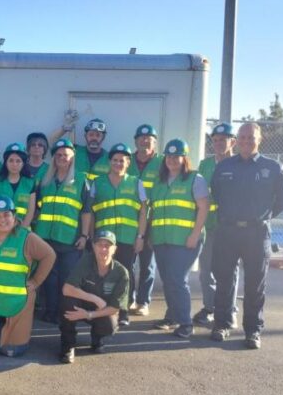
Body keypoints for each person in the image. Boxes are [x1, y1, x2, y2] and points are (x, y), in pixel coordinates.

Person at [210, 122, 283, 349]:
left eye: (251, 137)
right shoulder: (224, 166)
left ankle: (253, 330)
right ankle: (222, 324)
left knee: (255, 285)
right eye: (243, 137)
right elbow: (216, 194)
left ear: (259, 139)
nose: (246, 141)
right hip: (228, 231)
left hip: (257, 233)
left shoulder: (274, 168)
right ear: (237, 140)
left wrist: (263, 216)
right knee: (224, 280)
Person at [0, 195, 55, 357]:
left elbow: (49, 255)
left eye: (6, 214)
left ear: (14, 216)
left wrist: (36, 281)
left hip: (11, 309)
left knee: (9, 351)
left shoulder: (26, 237)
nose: (2, 219)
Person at [82, 143, 147, 327]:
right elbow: (91, 211)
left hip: (127, 238)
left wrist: (140, 237)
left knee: (125, 274)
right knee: (101, 274)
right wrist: (92, 236)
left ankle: (123, 311)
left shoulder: (136, 183)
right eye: (115, 160)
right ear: (110, 162)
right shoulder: (98, 182)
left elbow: (143, 212)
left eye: (122, 161)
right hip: (103, 240)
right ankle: (101, 310)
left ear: (128, 163)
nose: (118, 163)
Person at [149, 139, 209, 339]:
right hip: (162, 240)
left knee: (177, 279)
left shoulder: (195, 179)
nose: (172, 160)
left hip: (185, 241)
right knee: (167, 280)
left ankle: (185, 323)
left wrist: (195, 234)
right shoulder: (159, 182)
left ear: (185, 158)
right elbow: (153, 211)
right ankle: (173, 316)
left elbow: (203, 208)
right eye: (169, 156)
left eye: (177, 156)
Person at [34, 139, 90, 324]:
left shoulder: (81, 179)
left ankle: (65, 312)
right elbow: (37, 207)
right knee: (49, 278)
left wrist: (84, 236)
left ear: (72, 157)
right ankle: (51, 311)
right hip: (46, 238)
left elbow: (86, 211)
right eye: (58, 155)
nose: (61, 158)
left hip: (70, 239)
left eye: (65, 155)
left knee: (67, 278)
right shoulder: (45, 179)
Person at [59, 230, 129, 364]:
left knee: (110, 324)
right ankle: (68, 345)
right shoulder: (85, 261)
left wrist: (88, 315)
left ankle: (97, 339)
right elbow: (67, 289)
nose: (103, 249)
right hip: (86, 303)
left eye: (107, 246)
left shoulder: (122, 273)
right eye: (99, 245)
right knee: (67, 301)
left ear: (114, 249)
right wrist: (95, 299)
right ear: (93, 247)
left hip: (103, 309)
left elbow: (114, 308)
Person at [194, 123, 239, 327]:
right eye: (215, 140)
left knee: (228, 270)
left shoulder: (240, 164)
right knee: (207, 271)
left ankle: (230, 310)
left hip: (231, 228)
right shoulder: (205, 164)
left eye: (223, 139)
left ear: (233, 141)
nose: (219, 143)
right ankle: (210, 307)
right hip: (209, 226)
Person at [127, 124, 163, 317]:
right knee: (129, 263)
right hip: (130, 220)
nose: (145, 141)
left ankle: (143, 302)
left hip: (152, 221)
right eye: (141, 138)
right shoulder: (127, 160)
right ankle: (130, 298)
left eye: (149, 138)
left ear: (155, 142)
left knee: (148, 263)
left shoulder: (163, 162)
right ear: (135, 141)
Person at [0, 143, 37, 229]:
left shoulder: (30, 183)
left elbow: (30, 211)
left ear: (23, 163)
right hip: (1, 229)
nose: (14, 164)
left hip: (22, 230)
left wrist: (22, 230)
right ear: (5, 162)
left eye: (18, 161)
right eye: (11, 160)